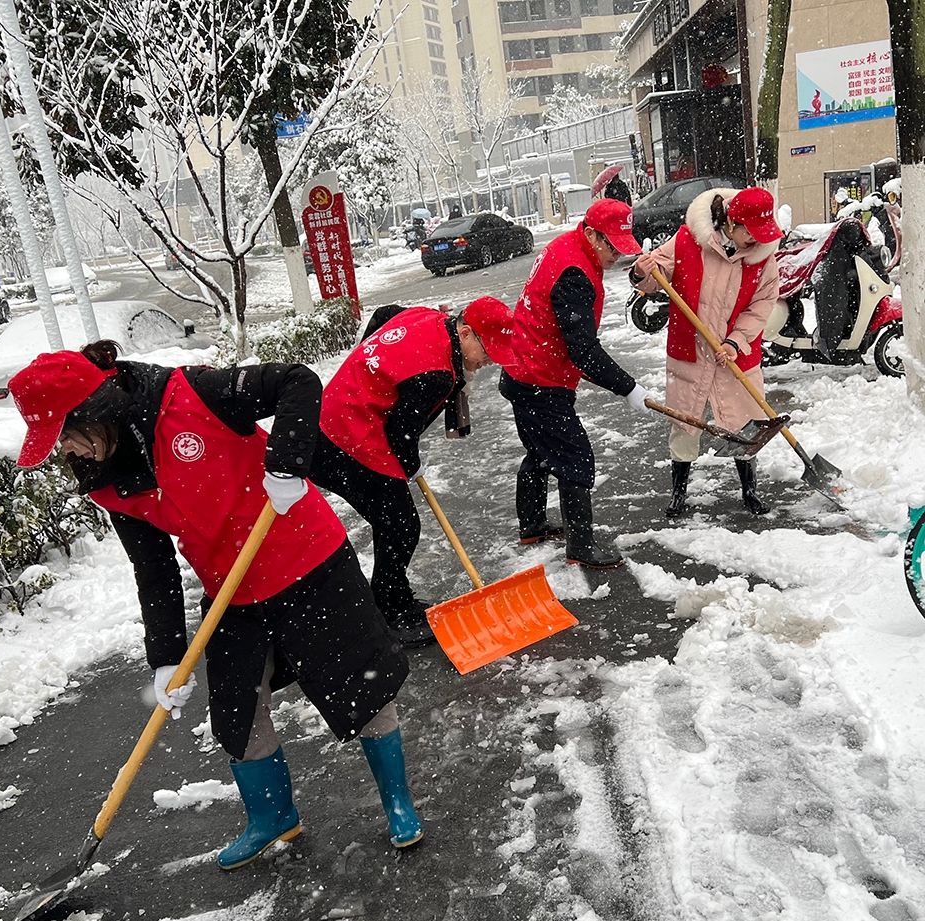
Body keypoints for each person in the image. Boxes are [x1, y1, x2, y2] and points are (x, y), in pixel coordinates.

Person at [7, 346, 424, 868]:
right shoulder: (108, 479)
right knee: (238, 711)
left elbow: (296, 380)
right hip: (233, 589)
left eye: (65, 434)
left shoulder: (191, 395)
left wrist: (287, 463)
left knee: (362, 684)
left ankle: (397, 800)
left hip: (309, 560)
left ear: (94, 412)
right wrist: (165, 657)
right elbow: (153, 569)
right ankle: (272, 817)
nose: (64, 450)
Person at [310, 297, 517, 646]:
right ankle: (389, 613)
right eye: (488, 351)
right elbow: (400, 433)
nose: (489, 360)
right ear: (466, 332)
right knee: (400, 525)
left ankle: (392, 598)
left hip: (333, 418)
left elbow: (385, 313)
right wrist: (409, 463)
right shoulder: (435, 374)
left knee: (395, 520)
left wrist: (369, 364)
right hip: (344, 441)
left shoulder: (427, 317)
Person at [500, 198, 654, 570]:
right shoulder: (575, 273)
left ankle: (532, 525)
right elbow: (583, 350)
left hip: (522, 369)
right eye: (612, 246)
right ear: (592, 234)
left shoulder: (567, 247)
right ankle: (580, 546)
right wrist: (628, 388)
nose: (617, 255)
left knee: (540, 450)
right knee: (575, 457)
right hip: (540, 379)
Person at [630, 186, 782, 517]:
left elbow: (761, 306)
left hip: (736, 353)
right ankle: (678, 492)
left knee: (744, 421)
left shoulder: (763, 259)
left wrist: (735, 341)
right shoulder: (688, 240)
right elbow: (657, 273)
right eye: (750, 233)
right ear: (731, 222)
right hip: (691, 348)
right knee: (684, 423)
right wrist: (643, 272)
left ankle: (749, 490)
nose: (756, 241)